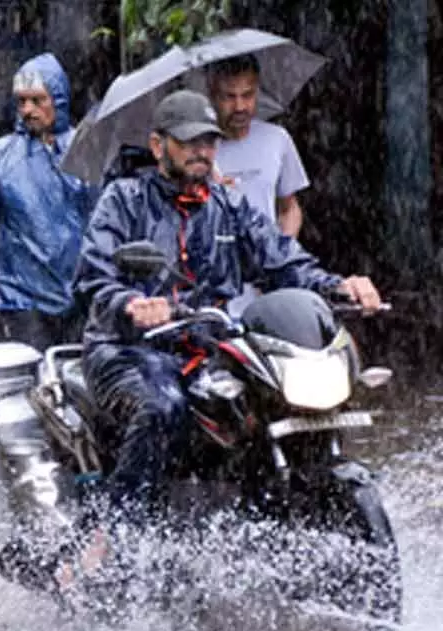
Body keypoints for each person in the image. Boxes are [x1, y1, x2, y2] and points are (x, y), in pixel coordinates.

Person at [73, 89, 381, 523]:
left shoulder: (229, 206)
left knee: (263, 401)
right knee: (164, 408)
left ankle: (262, 513)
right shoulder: (124, 200)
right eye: (189, 141)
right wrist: (132, 303)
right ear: (159, 146)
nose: (202, 151)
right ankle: (117, 536)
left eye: (209, 141)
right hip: (128, 349)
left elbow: (282, 260)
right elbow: (93, 278)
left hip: (207, 346)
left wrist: (338, 286)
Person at [0, 53, 97, 351]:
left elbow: (105, 226)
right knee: (34, 387)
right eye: (21, 102)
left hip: (82, 298)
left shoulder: (86, 150)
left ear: (57, 99)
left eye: (37, 100)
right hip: (22, 301)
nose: (27, 110)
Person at [206, 54, 309, 237]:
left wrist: (283, 250)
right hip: (216, 260)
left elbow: (289, 208)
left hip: (265, 260)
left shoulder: (277, 139)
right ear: (213, 96)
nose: (239, 106)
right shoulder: (199, 149)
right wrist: (210, 193)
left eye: (247, 95)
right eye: (229, 97)